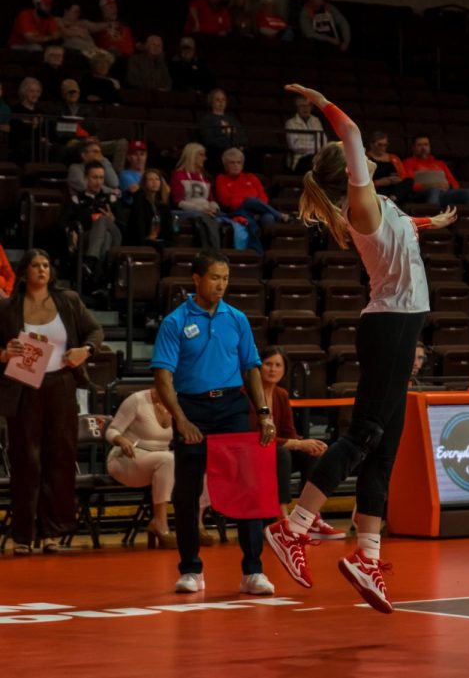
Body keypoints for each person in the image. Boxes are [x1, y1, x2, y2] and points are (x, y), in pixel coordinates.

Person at [265, 84, 457, 614]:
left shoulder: (382, 206)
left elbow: (398, 227)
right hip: (390, 325)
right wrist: (321, 99)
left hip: (400, 324)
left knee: (385, 447)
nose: (369, 156)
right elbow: (348, 131)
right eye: (362, 158)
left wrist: (428, 223)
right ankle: (294, 527)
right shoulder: (362, 202)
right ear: (347, 171)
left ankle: (366, 557)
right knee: (366, 433)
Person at [150, 249, 276, 595]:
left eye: (225, 278)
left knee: (246, 489)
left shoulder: (236, 318)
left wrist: (263, 413)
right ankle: (191, 569)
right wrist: (182, 420)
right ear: (197, 279)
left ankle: (253, 571)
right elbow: (163, 376)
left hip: (233, 408)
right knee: (187, 492)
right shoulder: (175, 322)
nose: (221, 285)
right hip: (193, 409)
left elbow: (251, 367)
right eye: (215, 278)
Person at [0, 249, 102, 555]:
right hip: (24, 386)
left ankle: (52, 533)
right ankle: (23, 535)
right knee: (26, 460)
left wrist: (85, 350)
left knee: (60, 456)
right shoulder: (8, 307)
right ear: (24, 271)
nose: (42, 270)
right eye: (35, 265)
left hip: (60, 383)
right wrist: (4, 355)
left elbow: (95, 331)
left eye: (46, 264)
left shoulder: (67, 300)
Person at [258, 347, 342, 537]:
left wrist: (308, 444)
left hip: (278, 451)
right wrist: (297, 444)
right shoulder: (249, 393)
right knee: (283, 453)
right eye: (268, 364)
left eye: (278, 365)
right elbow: (256, 435)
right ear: (258, 368)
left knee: (310, 452)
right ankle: (282, 518)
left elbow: (290, 433)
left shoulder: (281, 394)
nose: (272, 369)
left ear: (284, 370)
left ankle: (310, 516)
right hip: (254, 453)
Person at [105, 387, 179, 548]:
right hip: (127, 459)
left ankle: (198, 525)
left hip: (160, 463)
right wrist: (121, 440)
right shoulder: (137, 400)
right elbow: (112, 430)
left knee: (193, 462)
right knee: (168, 459)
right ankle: (160, 523)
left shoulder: (178, 402)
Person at [215, 148, 288, 254]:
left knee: (268, 217)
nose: (236, 165)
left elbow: (263, 198)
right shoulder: (221, 179)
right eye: (232, 163)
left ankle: (266, 250)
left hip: (257, 210)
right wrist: (249, 202)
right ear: (226, 166)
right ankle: (280, 216)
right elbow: (227, 201)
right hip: (237, 211)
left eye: (239, 162)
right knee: (251, 200)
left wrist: (256, 207)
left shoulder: (251, 177)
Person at [64, 162, 123, 285]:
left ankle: (90, 262)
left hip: (115, 236)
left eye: (101, 178)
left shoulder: (111, 199)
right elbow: (63, 222)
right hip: (87, 237)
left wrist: (112, 220)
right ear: (86, 178)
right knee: (105, 237)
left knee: (102, 221)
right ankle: (99, 280)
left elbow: (123, 226)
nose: (98, 182)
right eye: (94, 177)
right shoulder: (77, 200)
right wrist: (71, 231)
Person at [171, 142, 224, 249]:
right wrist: (200, 209)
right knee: (204, 217)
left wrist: (214, 208)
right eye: (201, 155)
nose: (205, 158)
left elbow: (211, 199)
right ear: (192, 155)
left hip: (205, 210)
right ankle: (212, 251)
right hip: (186, 210)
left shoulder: (204, 177)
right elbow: (178, 201)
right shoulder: (178, 175)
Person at [402, 135, 469, 206]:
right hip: (423, 194)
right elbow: (409, 184)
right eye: (420, 145)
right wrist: (430, 186)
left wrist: (449, 185)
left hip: (444, 193)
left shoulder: (440, 163)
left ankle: (468, 220)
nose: (423, 148)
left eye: (426, 145)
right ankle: (432, 219)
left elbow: (454, 183)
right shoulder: (408, 163)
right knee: (434, 191)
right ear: (413, 148)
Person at [126, 167, 174, 248]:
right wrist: (147, 238)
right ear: (144, 183)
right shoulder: (139, 197)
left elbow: (168, 225)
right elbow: (139, 222)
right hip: (140, 240)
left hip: (158, 239)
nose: (154, 182)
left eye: (157, 179)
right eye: (150, 180)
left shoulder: (163, 203)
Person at [366, 131, 413, 204]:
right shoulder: (366, 158)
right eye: (379, 145)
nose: (382, 148)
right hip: (377, 187)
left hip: (393, 188)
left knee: (409, 181)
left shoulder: (394, 158)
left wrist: (397, 179)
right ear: (371, 144)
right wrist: (378, 182)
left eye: (385, 145)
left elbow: (403, 176)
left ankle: (392, 199)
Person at [8, 77, 47, 163]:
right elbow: (16, 133)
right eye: (32, 91)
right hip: (21, 144)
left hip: (38, 144)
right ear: (24, 92)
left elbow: (45, 131)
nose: (35, 95)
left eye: (38, 92)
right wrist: (33, 126)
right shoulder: (15, 110)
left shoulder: (41, 112)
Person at [200, 88, 248, 156]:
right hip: (218, 152)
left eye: (223, 99)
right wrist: (228, 147)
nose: (221, 102)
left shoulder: (232, 119)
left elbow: (242, 136)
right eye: (217, 100)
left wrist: (240, 146)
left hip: (237, 152)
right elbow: (209, 140)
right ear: (211, 102)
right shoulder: (207, 120)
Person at [285, 95, 325, 169]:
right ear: (297, 108)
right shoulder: (290, 123)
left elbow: (323, 142)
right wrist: (315, 148)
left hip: (317, 159)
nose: (305, 108)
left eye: (308, 105)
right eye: (302, 106)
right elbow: (295, 147)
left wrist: (315, 149)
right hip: (299, 160)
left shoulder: (316, 121)